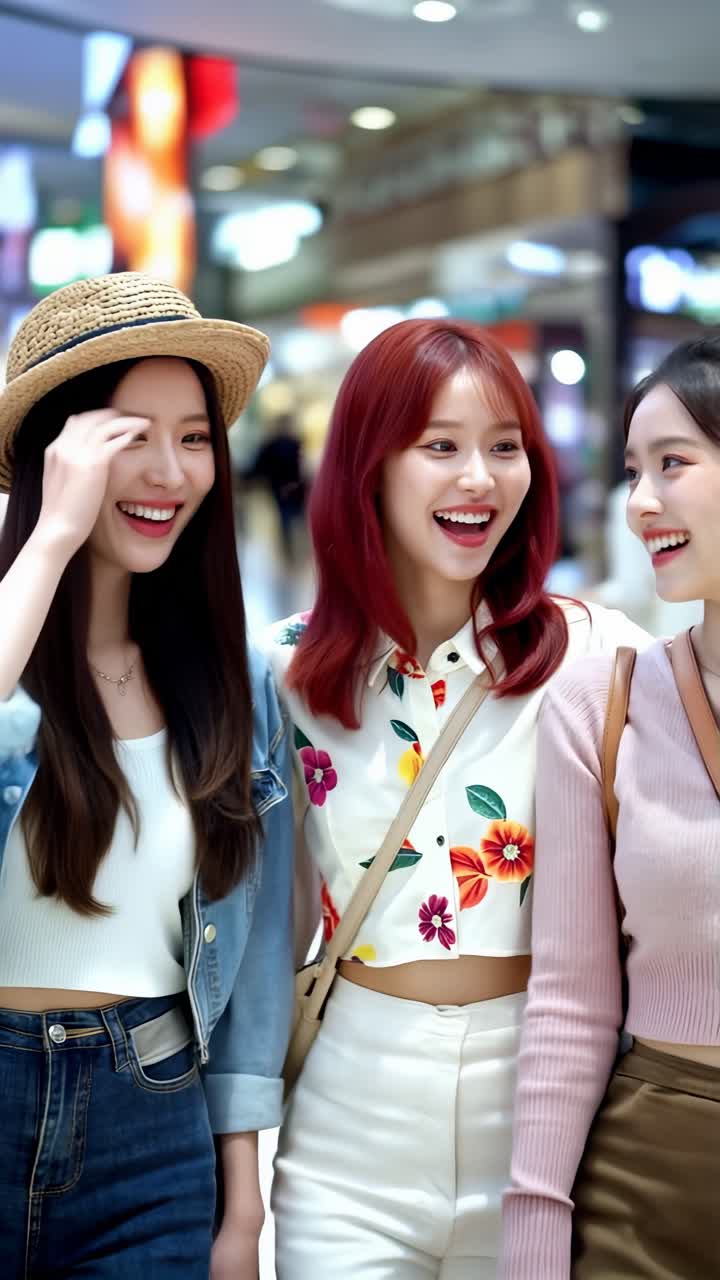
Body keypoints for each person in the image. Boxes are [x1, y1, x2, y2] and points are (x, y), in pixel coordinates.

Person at [266, 318, 649, 1278]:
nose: (480, 478)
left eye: (505, 447)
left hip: (550, 1118)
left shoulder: (597, 654)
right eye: (441, 446)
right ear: (369, 466)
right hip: (349, 1121)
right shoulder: (285, 672)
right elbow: (263, 927)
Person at [0, 272, 294, 1279]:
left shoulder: (236, 683)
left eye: (196, 436)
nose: (169, 469)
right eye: (130, 434)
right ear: (59, 450)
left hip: (153, 1122)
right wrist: (48, 538)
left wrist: (243, 1208)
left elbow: (250, 977)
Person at [502, 335, 720, 1278]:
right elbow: (570, 999)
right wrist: (536, 1229)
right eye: (634, 470)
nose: (640, 504)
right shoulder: (603, 703)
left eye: (674, 464)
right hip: (648, 1180)